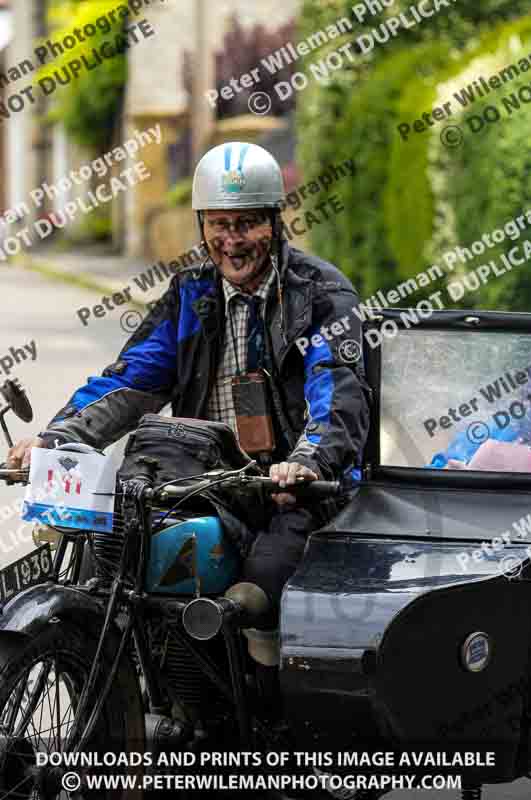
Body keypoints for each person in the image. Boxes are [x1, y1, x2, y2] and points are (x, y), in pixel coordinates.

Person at [8, 140, 370, 632]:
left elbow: (336, 390)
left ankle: (259, 702)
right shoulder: (192, 292)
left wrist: (307, 462)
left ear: (274, 223)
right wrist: (58, 438)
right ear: (203, 226)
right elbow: (133, 378)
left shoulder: (321, 294)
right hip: (202, 482)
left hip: (293, 494)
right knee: (111, 564)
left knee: (261, 587)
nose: (232, 240)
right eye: (219, 224)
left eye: (247, 224)